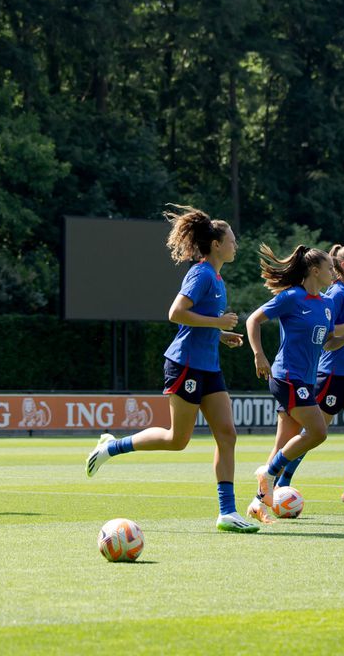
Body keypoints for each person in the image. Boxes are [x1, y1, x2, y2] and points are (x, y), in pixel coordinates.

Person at [84, 205, 259, 533]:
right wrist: (217, 322)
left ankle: (227, 512)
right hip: (186, 365)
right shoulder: (202, 273)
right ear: (216, 244)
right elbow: (176, 313)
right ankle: (110, 447)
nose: (236, 245)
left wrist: (219, 335)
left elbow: (196, 323)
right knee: (178, 439)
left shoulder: (217, 278)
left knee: (227, 434)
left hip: (208, 365)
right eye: (232, 240)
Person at [244, 244, 344, 524]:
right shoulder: (292, 297)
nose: (334, 273)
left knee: (283, 443)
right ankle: (268, 474)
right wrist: (259, 355)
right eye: (330, 268)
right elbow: (253, 320)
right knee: (318, 432)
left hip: (305, 380)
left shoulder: (327, 304)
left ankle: (257, 504)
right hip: (287, 377)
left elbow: (327, 342)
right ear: (314, 270)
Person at [273, 243, 344, 514]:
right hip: (331, 375)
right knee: (313, 434)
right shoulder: (336, 294)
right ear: (343, 266)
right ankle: (282, 482)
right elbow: (328, 334)